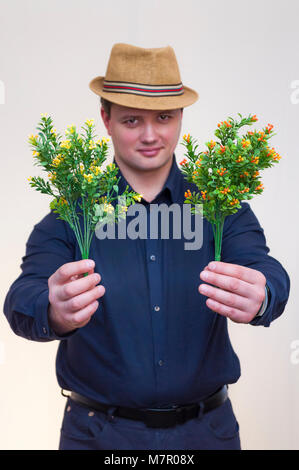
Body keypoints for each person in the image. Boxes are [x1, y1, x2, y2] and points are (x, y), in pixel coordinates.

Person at [3, 43, 290, 450]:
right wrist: (52, 309)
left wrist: (263, 294)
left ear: (181, 118)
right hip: (97, 436)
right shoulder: (72, 215)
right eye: (132, 120)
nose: (151, 135)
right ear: (105, 118)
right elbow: (22, 297)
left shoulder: (221, 207)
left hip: (206, 433)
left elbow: (266, 270)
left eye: (164, 117)